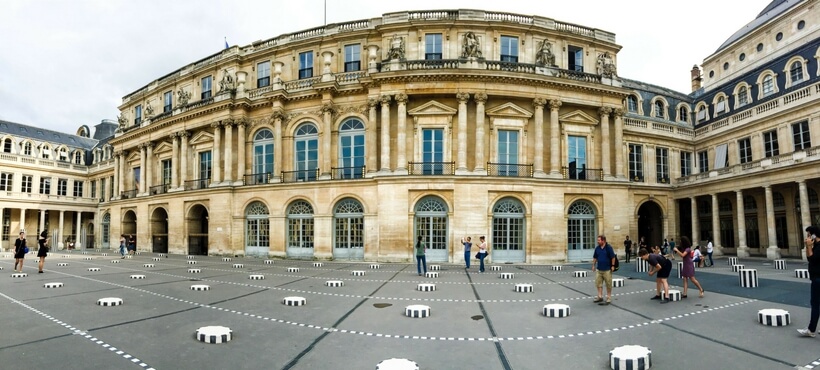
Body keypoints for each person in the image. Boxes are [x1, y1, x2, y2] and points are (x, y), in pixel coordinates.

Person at [797, 225, 820, 338]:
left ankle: (811, 329)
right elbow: (809, 258)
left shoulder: (819, 247)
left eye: (809, 235)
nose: (807, 237)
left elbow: (813, 260)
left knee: (815, 304)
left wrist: (809, 246)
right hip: (816, 278)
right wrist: (808, 246)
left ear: (814, 235)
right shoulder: (816, 246)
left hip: (818, 279)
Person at [591, 234, 616, 305]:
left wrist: (613, 266)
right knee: (598, 283)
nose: (597, 241)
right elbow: (595, 257)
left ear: (603, 240)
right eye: (597, 240)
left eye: (599, 240)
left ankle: (608, 297)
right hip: (599, 269)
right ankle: (600, 296)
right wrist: (593, 265)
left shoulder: (609, 248)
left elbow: (613, 257)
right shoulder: (597, 248)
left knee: (608, 284)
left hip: (607, 269)